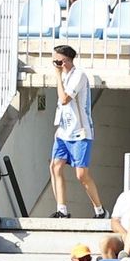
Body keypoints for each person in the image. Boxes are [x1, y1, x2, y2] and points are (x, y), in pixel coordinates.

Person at [48, 44, 104, 219]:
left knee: (81, 175)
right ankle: (62, 209)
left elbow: (64, 99)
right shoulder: (63, 76)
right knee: (55, 167)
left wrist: (58, 75)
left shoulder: (78, 76)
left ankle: (100, 210)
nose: (54, 64)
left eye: (56, 60)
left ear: (65, 60)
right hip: (63, 132)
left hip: (80, 132)